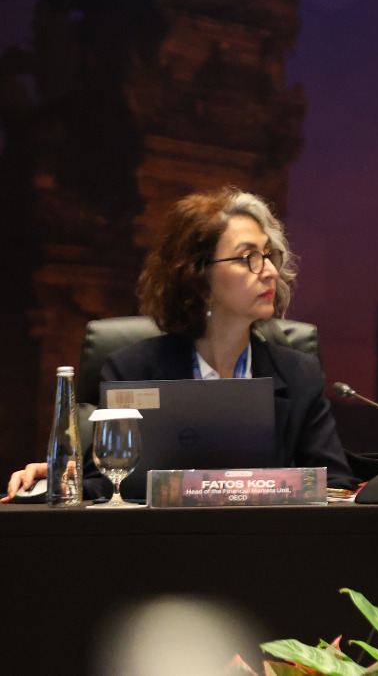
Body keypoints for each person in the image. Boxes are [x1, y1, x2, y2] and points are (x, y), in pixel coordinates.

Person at [5, 187, 357, 501]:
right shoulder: (133, 371)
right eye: (248, 257)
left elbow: (336, 484)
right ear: (198, 277)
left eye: (268, 255)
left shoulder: (298, 375)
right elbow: (107, 485)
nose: (270, 271)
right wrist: (62, 481)